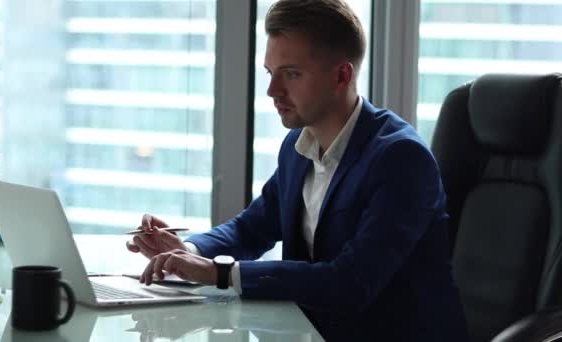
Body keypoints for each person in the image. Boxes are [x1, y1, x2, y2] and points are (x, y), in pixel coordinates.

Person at [126, 0, 469, 340]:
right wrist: (188, 251)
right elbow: (251, 229)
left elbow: (350, 283)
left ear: (341, 75)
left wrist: (220, 273)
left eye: (291, 74)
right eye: (270, 74)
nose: (272, 91)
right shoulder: (298, 147)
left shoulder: (400, 159)